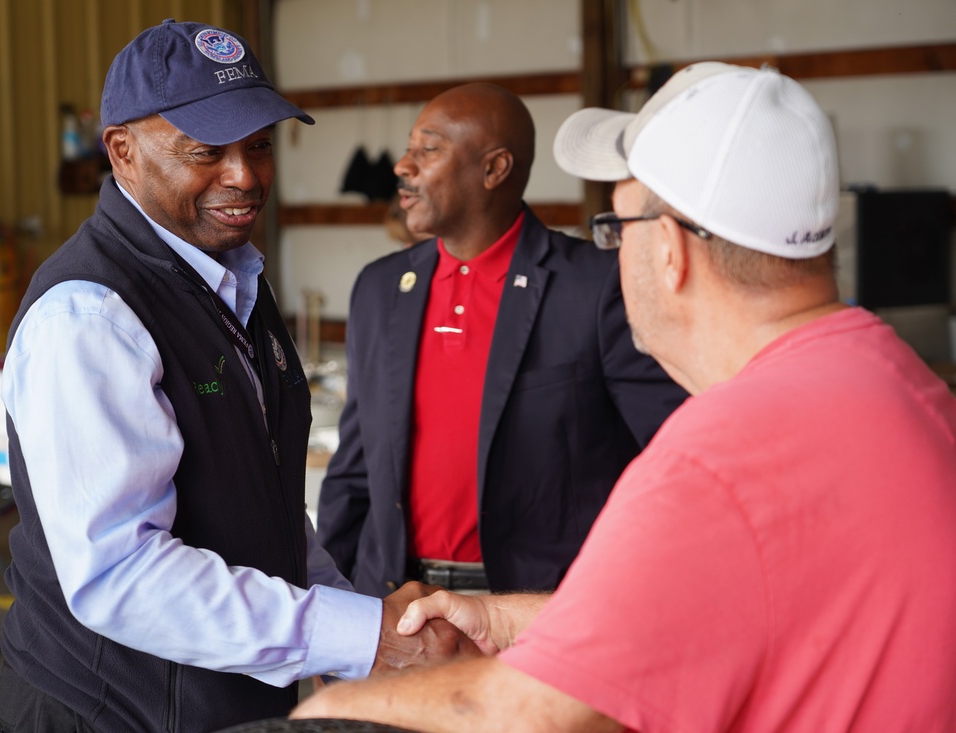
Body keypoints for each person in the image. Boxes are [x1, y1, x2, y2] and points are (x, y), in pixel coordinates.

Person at [291, 62, 956, 731]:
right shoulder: (906, 386)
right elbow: (680, 606)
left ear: (668, 249)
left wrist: (330, 706)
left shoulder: (712, 462)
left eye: (617, 226)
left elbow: (539, 711)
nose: (609, 250)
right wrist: (497, 615)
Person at [0, 20, 475, 733]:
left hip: (222, 700)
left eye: (258, 146)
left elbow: (266, 505)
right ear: (122, 151)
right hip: (114, 710)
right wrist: (359, 634)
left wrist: (366, 628)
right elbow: (123, 576)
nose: (245, 176)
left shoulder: (230, 280)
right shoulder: (90, 316)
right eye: (206, 152)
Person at [316, 82, 687, 597]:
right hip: (397, 607)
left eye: (429, 148)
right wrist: (332, 611)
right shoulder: (379, 289)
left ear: (494, 169)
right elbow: (354, 470)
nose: (403, 165)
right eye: (408, 148)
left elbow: (672, 456)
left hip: (541, 612)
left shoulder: (594, 285)